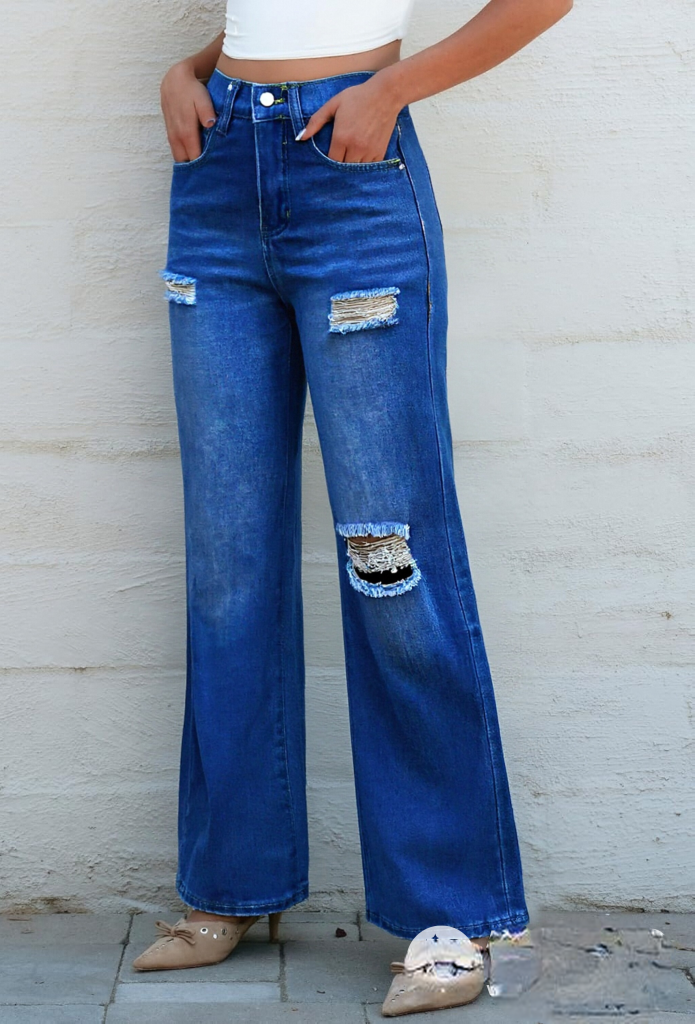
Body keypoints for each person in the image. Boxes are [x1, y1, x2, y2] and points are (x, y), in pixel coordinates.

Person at [132, 0, 572, 1002]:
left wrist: (390, 89)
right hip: (216, 171)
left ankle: (451, 908)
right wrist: (188, 69)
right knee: (228, 567)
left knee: (391, 561)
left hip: (352, 178)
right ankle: (230, 884)